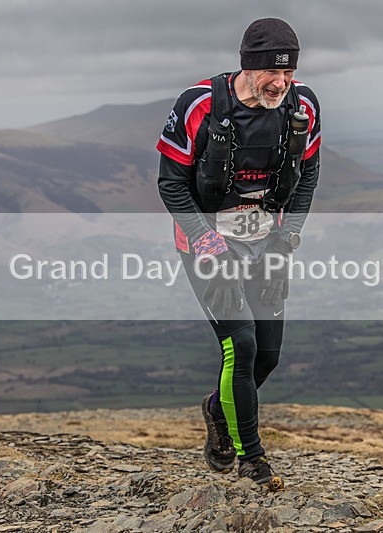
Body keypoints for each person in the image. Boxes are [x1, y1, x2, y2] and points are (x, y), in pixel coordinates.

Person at [156, 18, 321, 491]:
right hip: (205, 239)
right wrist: (210, 248)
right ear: (248, 66)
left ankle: (217, 408)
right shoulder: (199, 105)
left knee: (268, 355)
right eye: (272, 73)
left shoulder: (303, 104)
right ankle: (253, 460)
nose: (281, 84)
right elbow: (171, 185)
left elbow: (307, 178)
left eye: (288, 74)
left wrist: (286, 241)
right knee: (241, 344)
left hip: (266, 240)